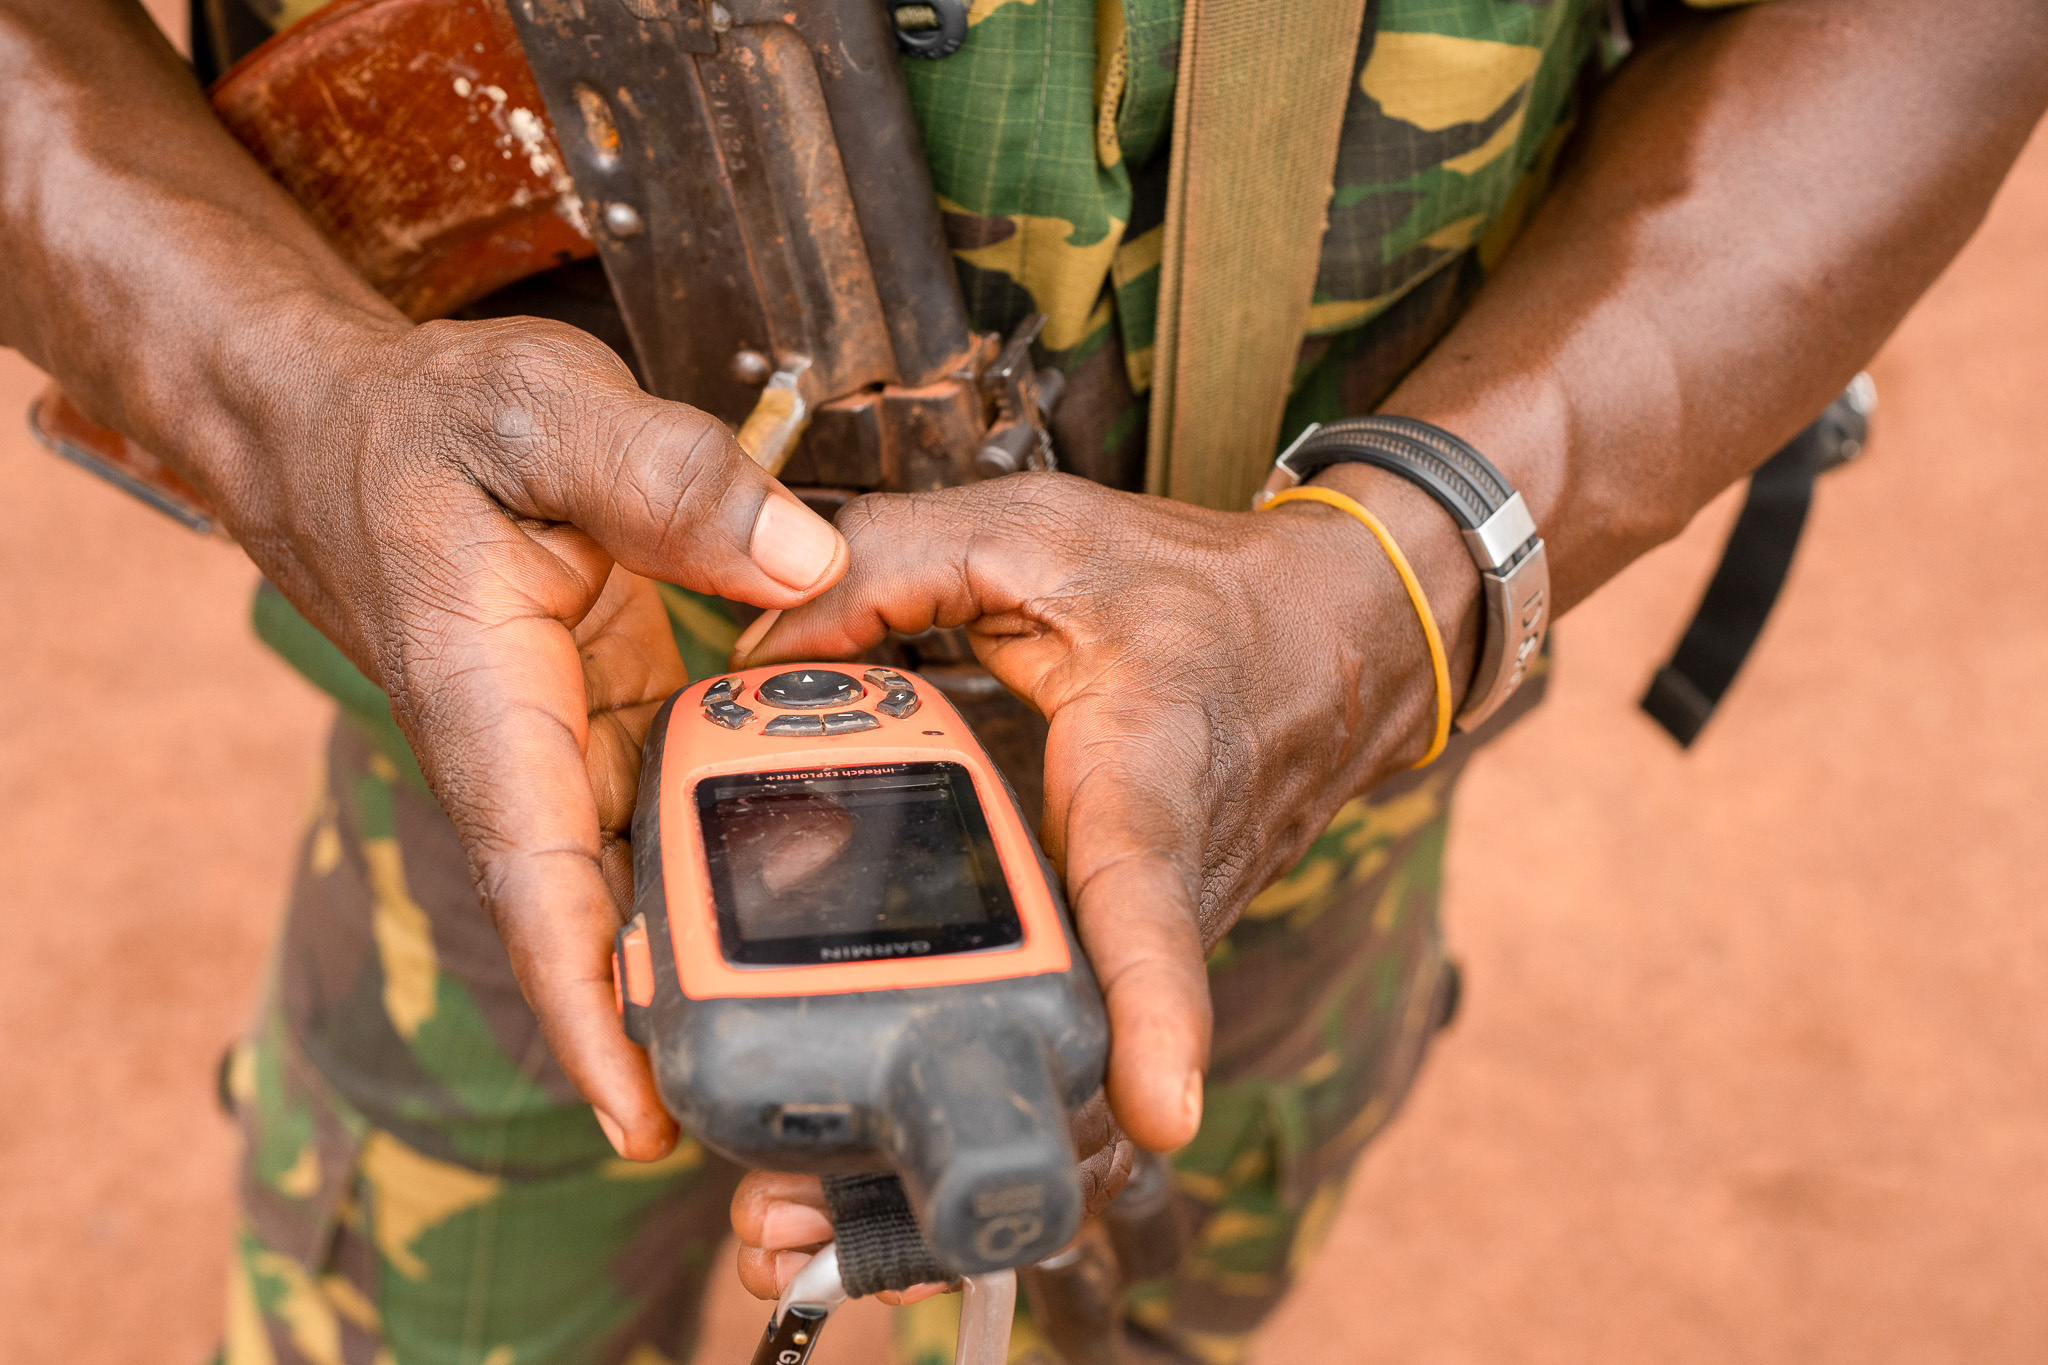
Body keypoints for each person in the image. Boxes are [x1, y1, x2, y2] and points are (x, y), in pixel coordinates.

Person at [3, 0, 2044, 1362]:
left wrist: (1403, 577)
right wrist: (288, 394)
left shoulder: (1339, 645)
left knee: (1137, 1294)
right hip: (530, 661)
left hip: (1294, 666)